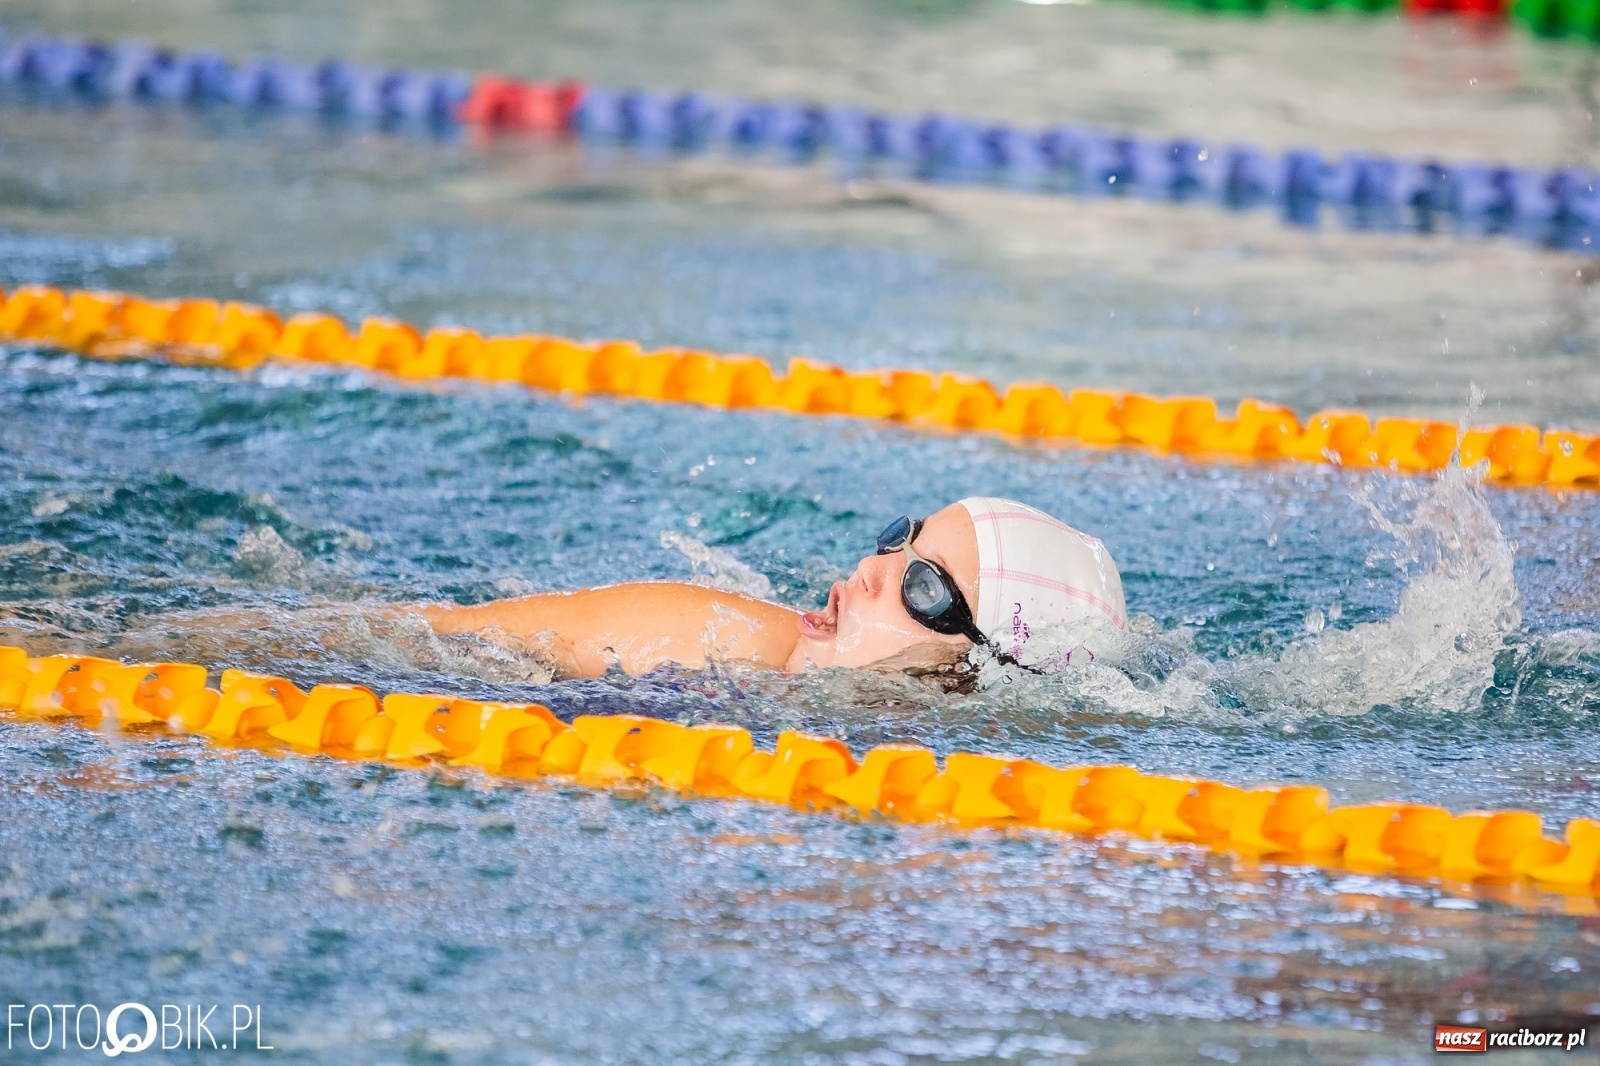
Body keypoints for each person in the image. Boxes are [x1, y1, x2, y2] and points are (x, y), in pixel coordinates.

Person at [421, 497, 1128, 681]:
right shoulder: (732, 639)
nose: (871, 568)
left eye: (923, 584)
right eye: (898, 538)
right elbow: (429, 635)